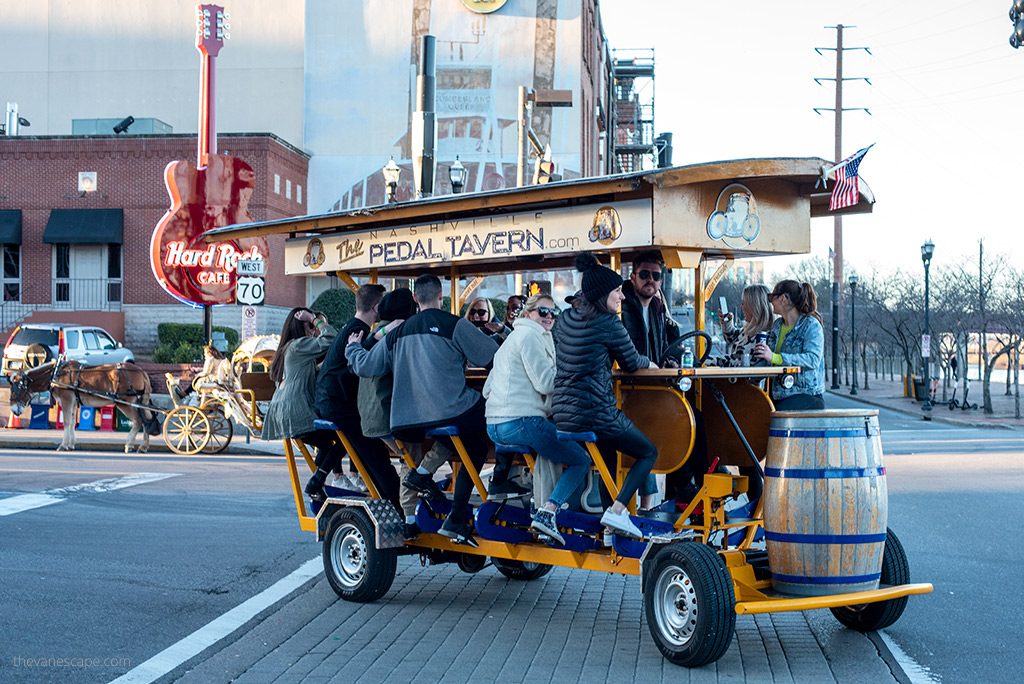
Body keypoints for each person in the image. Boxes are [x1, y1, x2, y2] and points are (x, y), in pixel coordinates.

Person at [346, 274, 507, 547]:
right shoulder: (454, 324)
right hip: (451, 410)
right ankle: (498, 486)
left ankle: (437, 495)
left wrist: (352, 348)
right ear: (441, 296)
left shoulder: (397, 332)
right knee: (494, 420)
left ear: (414, 298)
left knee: (469, 444)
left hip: (407, 420)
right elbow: (495, 358)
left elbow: (365, 366)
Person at [552, 252, 659, 539]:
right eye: (617, 292)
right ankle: (617, 512)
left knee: (607, 455)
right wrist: (652, 364)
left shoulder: (565, 319)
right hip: (595, 413)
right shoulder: (609, 323)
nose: (622, 297)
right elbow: (632, 362)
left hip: (564, 415)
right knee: (648, 452)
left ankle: (607, 524)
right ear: (602, 295)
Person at [483, 293, 590, 546]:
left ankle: (540, 508)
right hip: (521, 423)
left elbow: (487, 389)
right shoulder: (530, 335)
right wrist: (571, 371)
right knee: (580, 460)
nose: (550, 317)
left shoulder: (512, 338)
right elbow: (544, 382)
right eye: (543, 312)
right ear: (528, 313)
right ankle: (548, 511)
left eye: (554, 313)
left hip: (495, 425)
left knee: (550, 449)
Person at [355, 288, 454, 538]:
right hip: (392, 415)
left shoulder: (378, 332)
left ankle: (413, 510)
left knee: (409, 461)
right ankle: (418, 491)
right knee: (442, 444)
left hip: (372, 416)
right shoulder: (402, 332)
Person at [314, 284, 401, 510]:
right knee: (373, 449)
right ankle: (396, 505)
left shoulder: (352, 326)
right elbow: (362, 358)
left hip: (329, 399)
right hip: (337, 402)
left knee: (362, 445)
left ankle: (317, 479)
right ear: (376, 307)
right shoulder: (358, 330)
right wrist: (390, 329)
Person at [261, 307, 339, 500]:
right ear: (300, 325)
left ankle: (318, 481)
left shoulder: (290, 347)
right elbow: (332, 339)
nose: (314, 330)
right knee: (345, 435)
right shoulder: (298, 345)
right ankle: (319, 480)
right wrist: (315, 318)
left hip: (283, 411)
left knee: (330, 441)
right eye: (310, 325)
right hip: (295, 411)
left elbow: (308, 370)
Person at [753, 279, 826, 410]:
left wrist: (776, 357)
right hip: (777, 394)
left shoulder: (811, 325)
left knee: (772, 418)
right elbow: (769, 361)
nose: (770, 302)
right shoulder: (777, 326)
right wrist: (746, 369)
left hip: (805, 395)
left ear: (783, 298)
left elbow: (812, 360)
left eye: (771, 297)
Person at [718, 284, 773, 367]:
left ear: (754, 307)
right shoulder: (752, 329)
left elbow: (733, 360)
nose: (741, 307)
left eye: (744, 304)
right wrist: (727, 324)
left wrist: (704, 360)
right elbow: (733, 338)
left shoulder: (763, 337)